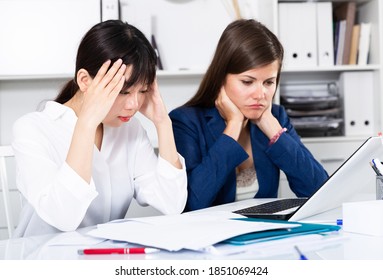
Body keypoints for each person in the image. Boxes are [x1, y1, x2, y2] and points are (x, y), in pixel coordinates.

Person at [12, 20, 187, 237]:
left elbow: (172, 203)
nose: (134, 105)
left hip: (103, 259)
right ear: (85, 81)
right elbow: (63, 216)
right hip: (43, 260)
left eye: (142, 91)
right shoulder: (32, 129)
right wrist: (86, 123)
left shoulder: (129, 129)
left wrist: (163, 123)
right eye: (123, 92)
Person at [169, 19, 328, 211]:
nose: (260, 94)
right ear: (221, 78)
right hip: (211, 238)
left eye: (268, 82)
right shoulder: (185, 121)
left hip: (263, 237)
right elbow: (191, 204)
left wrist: (272, 127)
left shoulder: (276, 116)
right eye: (247, 82)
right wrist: (233, 126)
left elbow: (319, 192)